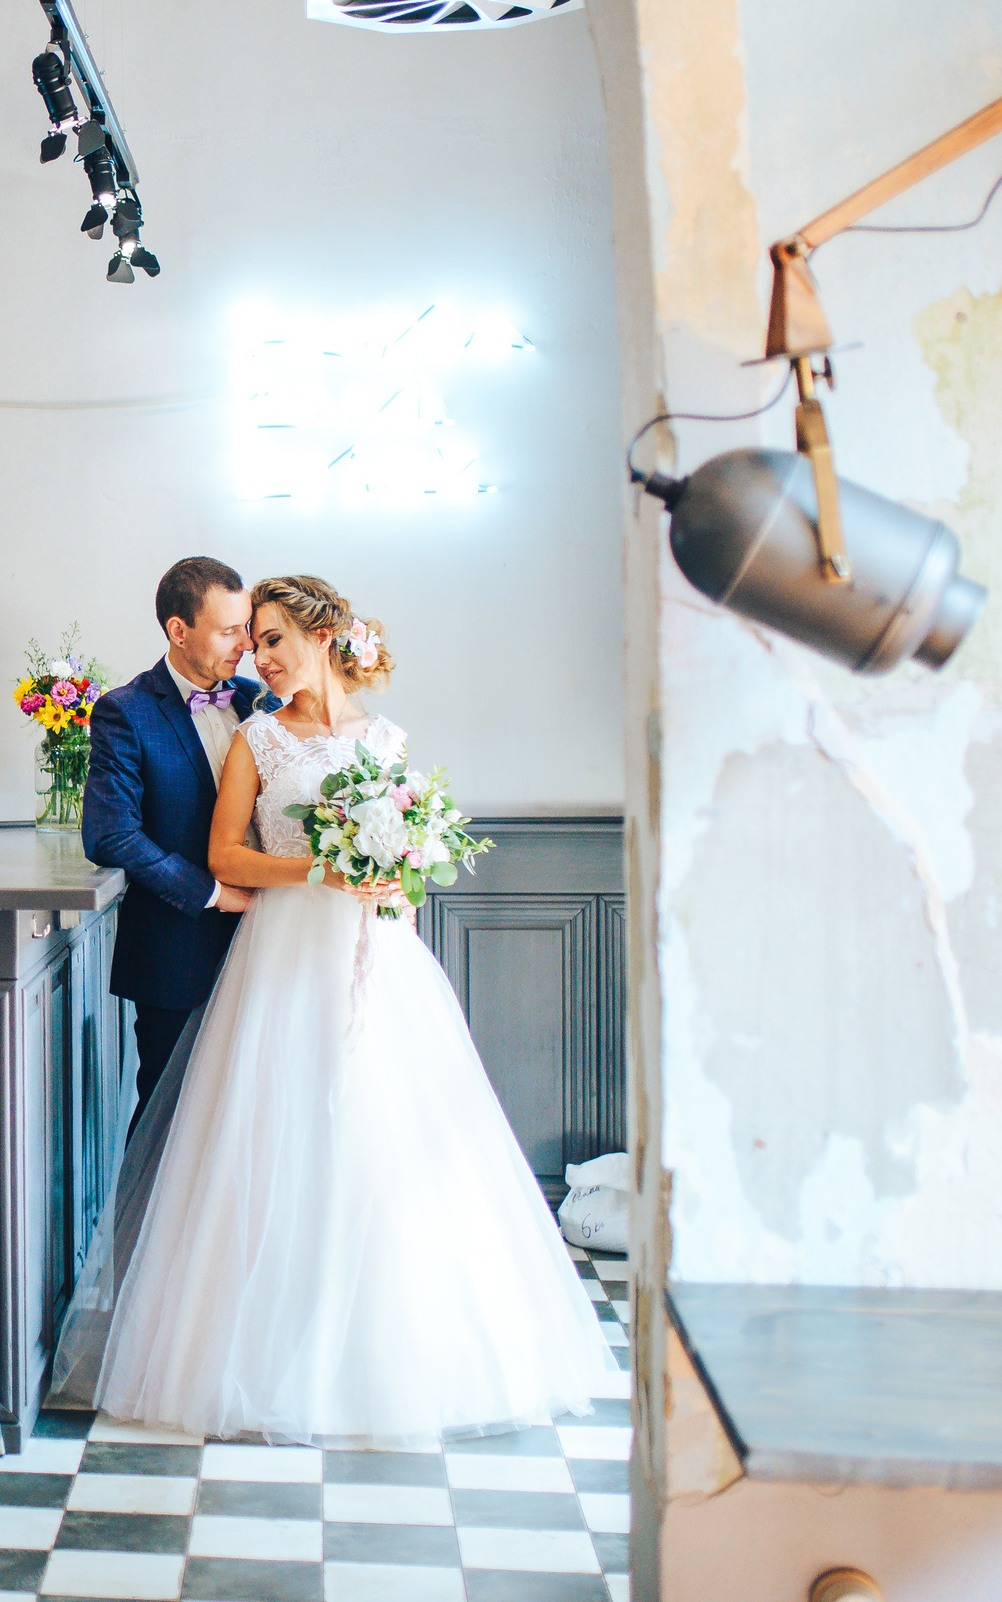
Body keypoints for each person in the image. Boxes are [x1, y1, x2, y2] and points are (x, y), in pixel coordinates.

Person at [59, 574, 610, 1448]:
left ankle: (390, 1347)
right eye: (246, 634)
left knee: (381, 1140)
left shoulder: (375, 736)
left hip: (372, 955)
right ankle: (184, 1329)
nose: (253, 652)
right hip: (259, 953)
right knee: (239, 1140)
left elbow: (406, 848)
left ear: (323, 638)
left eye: (268, 636)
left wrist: (395, 885)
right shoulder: (233, 728)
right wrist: (316, 870)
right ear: (180, 627)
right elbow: (192, 844)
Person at [82, 557, 275, 1118]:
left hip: (269, 945)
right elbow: (110, 834)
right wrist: (214, 894)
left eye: (246, 627)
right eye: (227, 631)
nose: (244, 645)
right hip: (177, 951)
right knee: (171, 1119)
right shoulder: (126, 711)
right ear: (178, 630)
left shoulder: (260, 700)